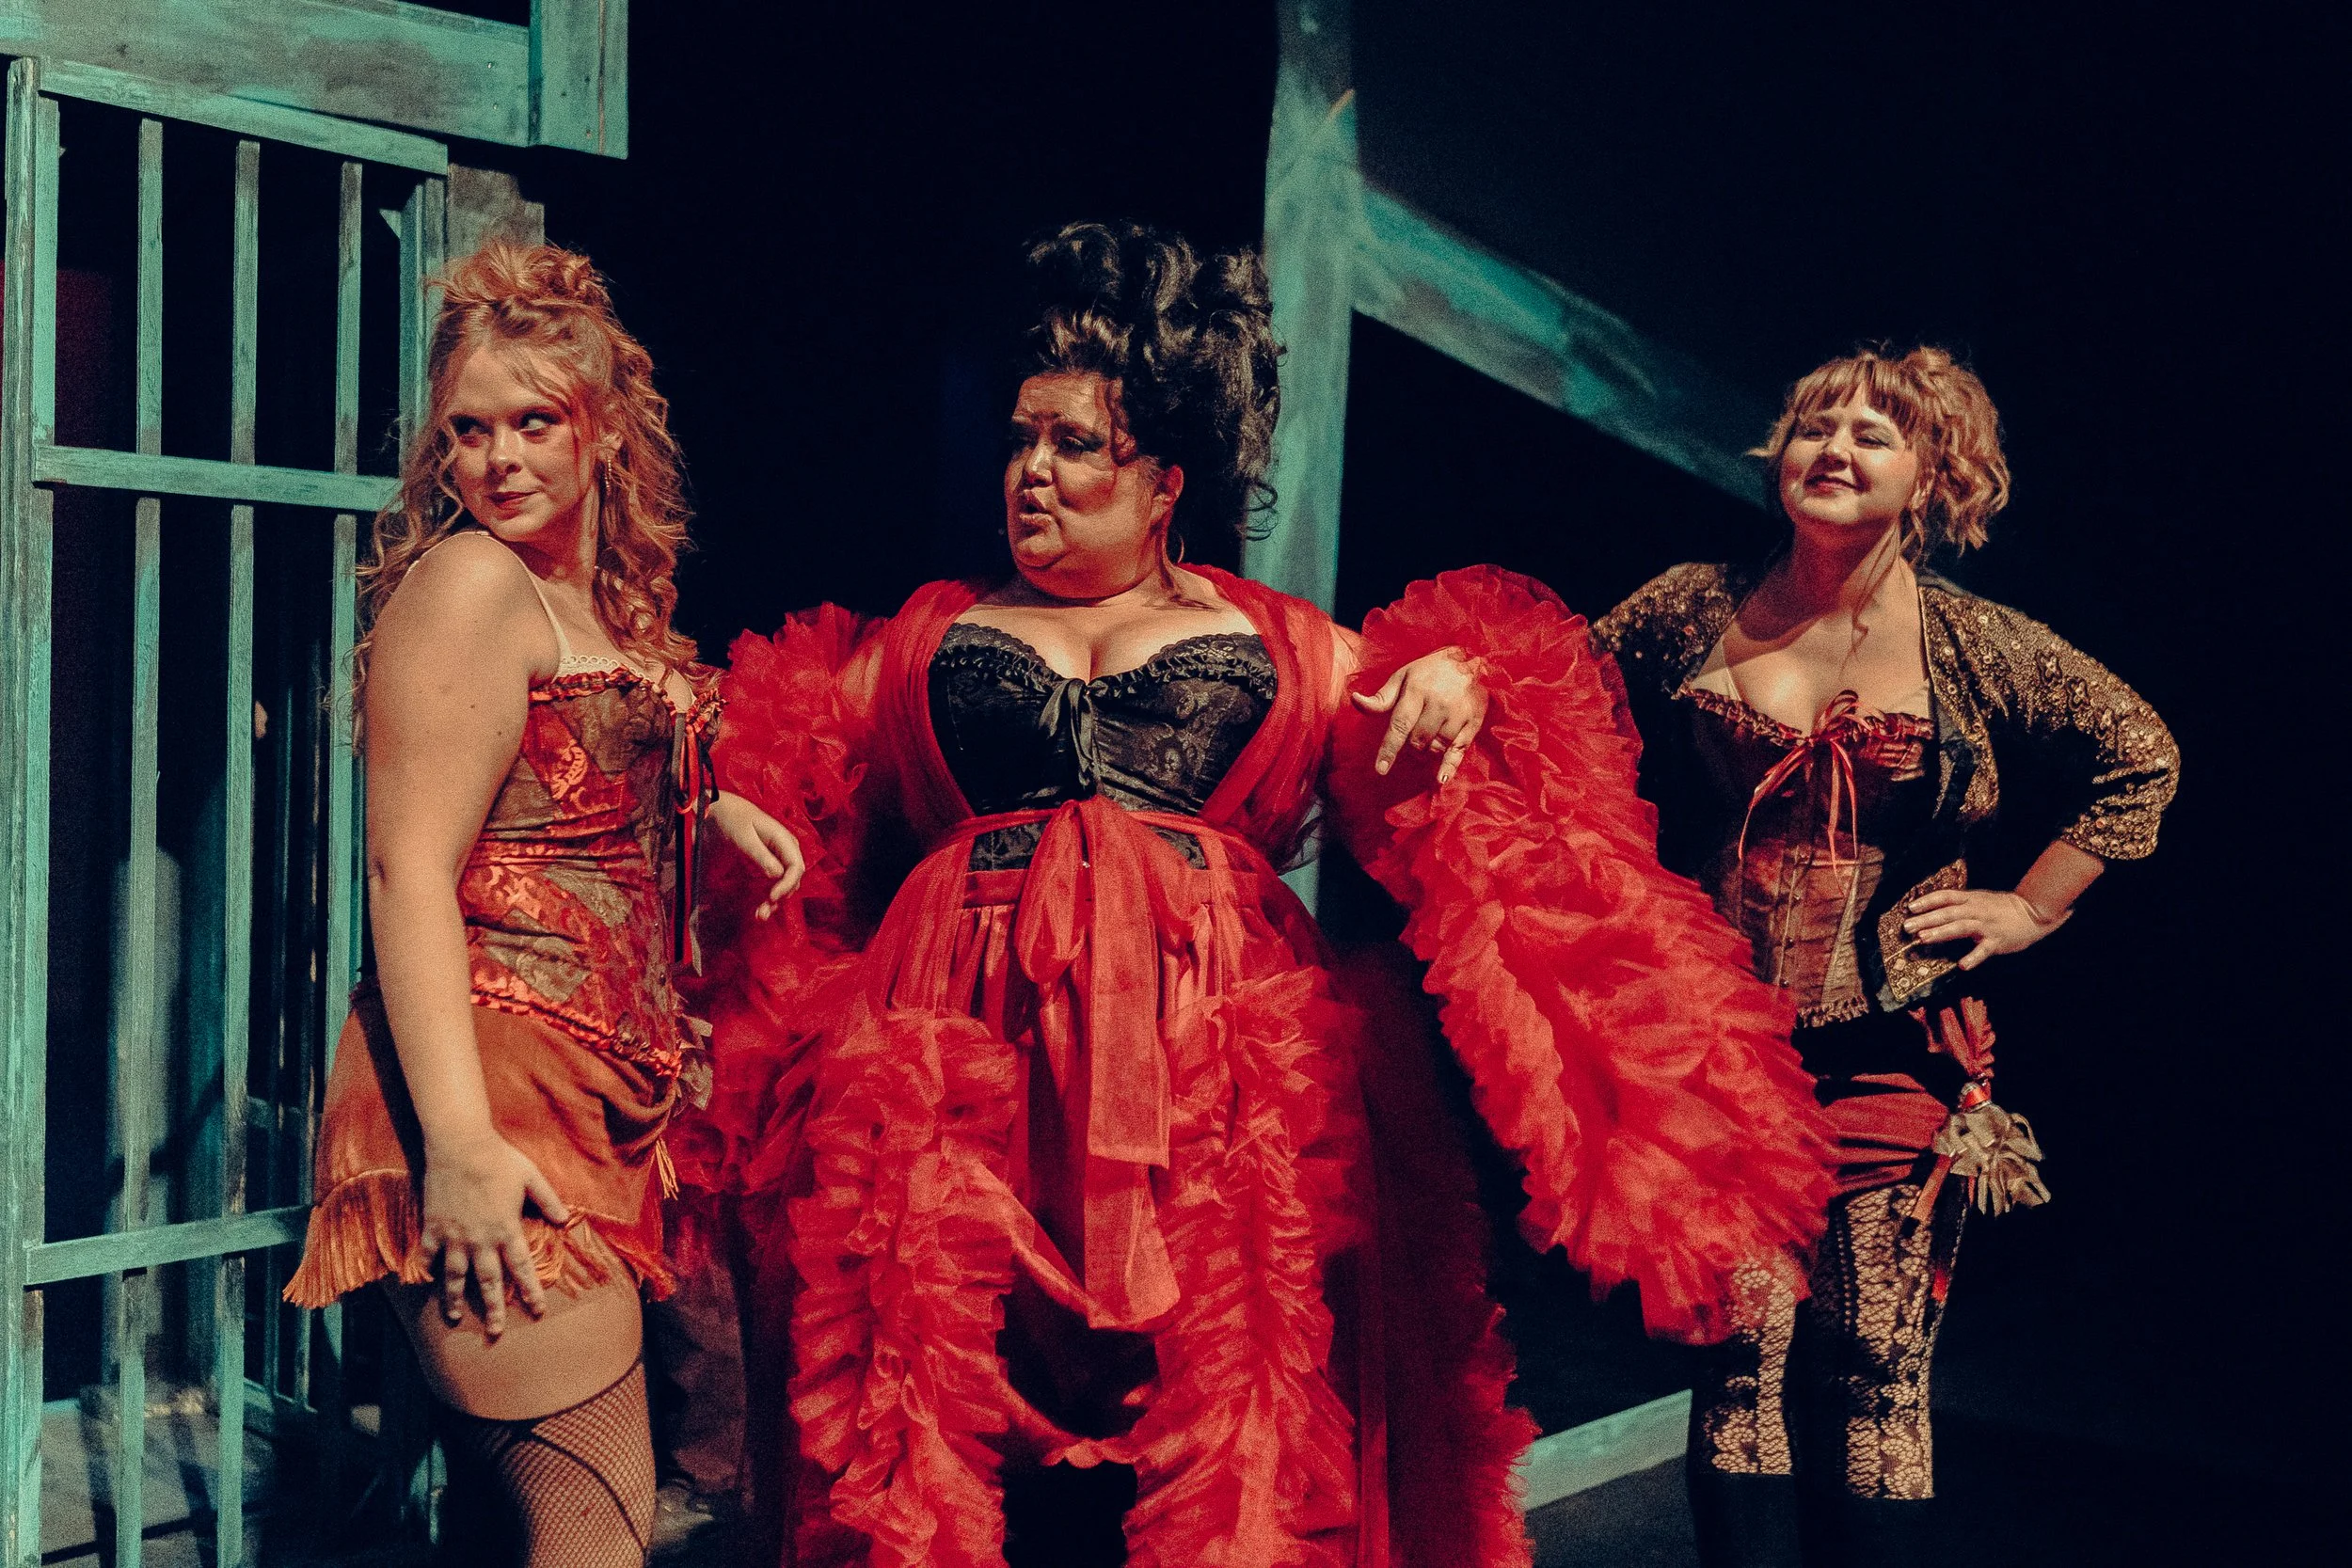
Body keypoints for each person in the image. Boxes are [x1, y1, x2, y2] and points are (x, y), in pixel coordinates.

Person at [682, 221, 1834, 1568]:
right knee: (942, 1447)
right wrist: (725, 799)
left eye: (1074, 444)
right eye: (1020, 439)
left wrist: (1463, 679)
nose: (1031, 470)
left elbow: (1498, 837)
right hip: (965, 1085)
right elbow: (767, 766)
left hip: (1208, 1087)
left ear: (1164, 479)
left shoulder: (1275, 644)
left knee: (1226, 1446)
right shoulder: (927, 634)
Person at [1592, 347, 2179, 1567]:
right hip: (1724, 1049)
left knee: (1875, 1366)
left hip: (1894, 1046)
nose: (1835, 450)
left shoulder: (1973, 642)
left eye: (1873, 434)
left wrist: (2029, 909)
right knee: (1739, 1360)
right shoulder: (1694, 604)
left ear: (1932, 475)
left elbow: (2140, 754)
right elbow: (1552, 696)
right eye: (1816, 425)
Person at [284, 243, 803, 1568]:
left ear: (603, 429)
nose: (498, 459)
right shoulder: (472, 581)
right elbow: (407, 870)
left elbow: (563, 768)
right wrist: (459, 1146)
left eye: (533, 422)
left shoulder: (585, 597)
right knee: (594, 1535)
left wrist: (701, 803)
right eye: (468, 430)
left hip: (590, 1094)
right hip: (492, 1090)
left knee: (578, 1527)